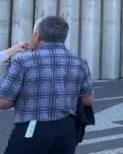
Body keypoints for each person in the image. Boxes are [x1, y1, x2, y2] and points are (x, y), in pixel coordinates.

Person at [0, 16, 94, 154]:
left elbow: (3, 102)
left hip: (32, 129)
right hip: (67, 130)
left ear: (38, 36)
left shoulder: (23, 62)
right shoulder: (80, 62)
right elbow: (88, 100)